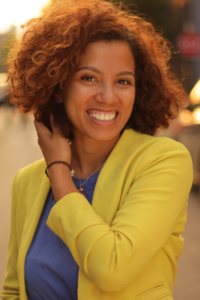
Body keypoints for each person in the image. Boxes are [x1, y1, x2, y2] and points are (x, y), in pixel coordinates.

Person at [2, 0, 193, 299]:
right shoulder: (26, 182)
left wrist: (59, 174)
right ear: (58, 84)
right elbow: (14, 290)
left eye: (123, 81)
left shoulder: (163, 161)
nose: (107, 96)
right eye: (88, 78)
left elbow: (111, 267)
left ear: (138, 90)